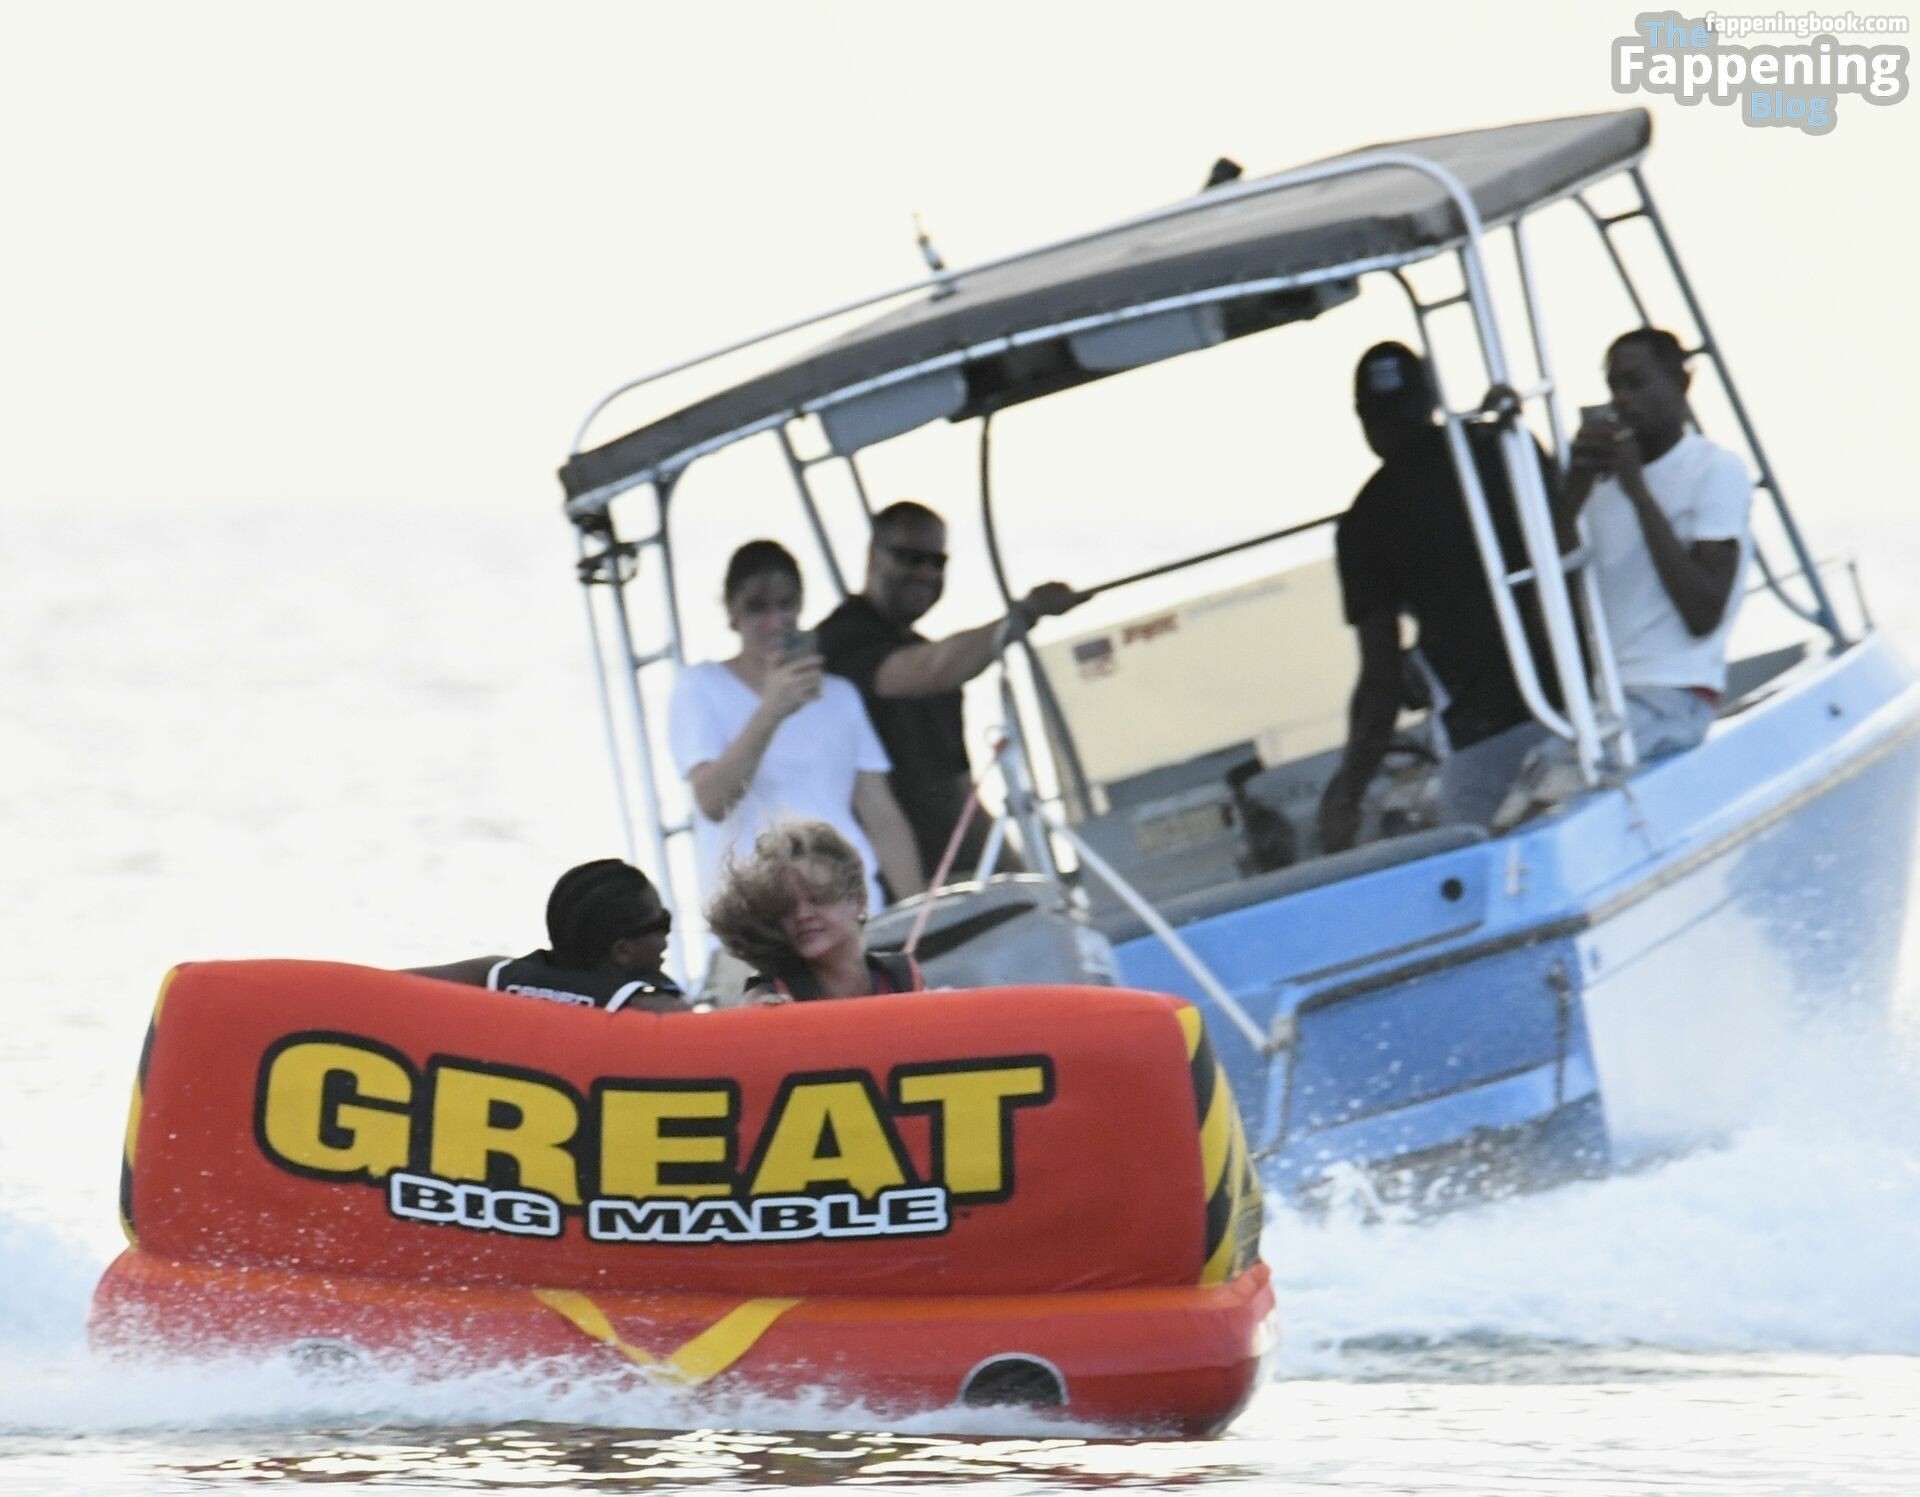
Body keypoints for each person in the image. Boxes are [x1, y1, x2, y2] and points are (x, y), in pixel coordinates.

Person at [1317, 342, 1560, 853]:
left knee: (1472, 852)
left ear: (1364, 421)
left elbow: (1381, 678)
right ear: (1430, 399)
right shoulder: (1504, 445)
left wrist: (1349, 789)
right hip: (1571, 697)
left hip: (1481, 733)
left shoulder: (1366, 520)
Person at [816, 501, 1084, 877]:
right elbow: (930, 669)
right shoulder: (839, 641)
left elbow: (957, 788)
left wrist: (1020, 876)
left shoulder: (931, 654)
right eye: (910, 558)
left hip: (957, 871)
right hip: (885, 880)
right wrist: (1024, 614)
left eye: (936, 562)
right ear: (873, 556)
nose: (925, 573)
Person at [669, 540, 926, 928]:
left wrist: (920, 917)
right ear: (731, 612)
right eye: (757, 607)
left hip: (848, 907)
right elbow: (713, 801)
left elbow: (881, 813)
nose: (775, 621)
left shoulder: (839, 695)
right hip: (756, 918)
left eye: (786, 604)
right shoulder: (701, 686)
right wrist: (772, 710)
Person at [1550, 327, 1750, 757]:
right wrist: (1574, 491)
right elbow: (1551, 589)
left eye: (1636, 383)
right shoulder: (1599, 485)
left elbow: (1703, 612)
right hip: (1607, 697)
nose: (1623, 400)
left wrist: (1638, 492)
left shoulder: (1713, 470)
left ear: (1680, 383)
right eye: (1614, 387)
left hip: (1674, 692)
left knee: (1565, 778)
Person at [405, 858, 688, 1013]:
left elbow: (389, 988)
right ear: (623, 950)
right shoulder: (657, 1013)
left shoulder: (492, 975)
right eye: (662, 923)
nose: (666, 938)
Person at [706, 820, 925, 1002]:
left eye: (818, 898)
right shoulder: (768, 996)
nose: (803, 915)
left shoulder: (903, 978)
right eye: (786, 907)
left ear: (860, 902)